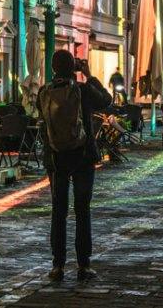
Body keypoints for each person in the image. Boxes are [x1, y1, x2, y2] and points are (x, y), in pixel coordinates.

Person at [39, 49, 113, 283]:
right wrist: (89, 75)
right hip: (82, 156)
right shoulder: (82, 90)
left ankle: (57, 266)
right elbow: (107, 101)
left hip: (56, 157)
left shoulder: (44, 91)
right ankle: (84, 265)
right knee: (82, 210)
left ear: (53, 68)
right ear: (74, 67)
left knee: (58, 211)